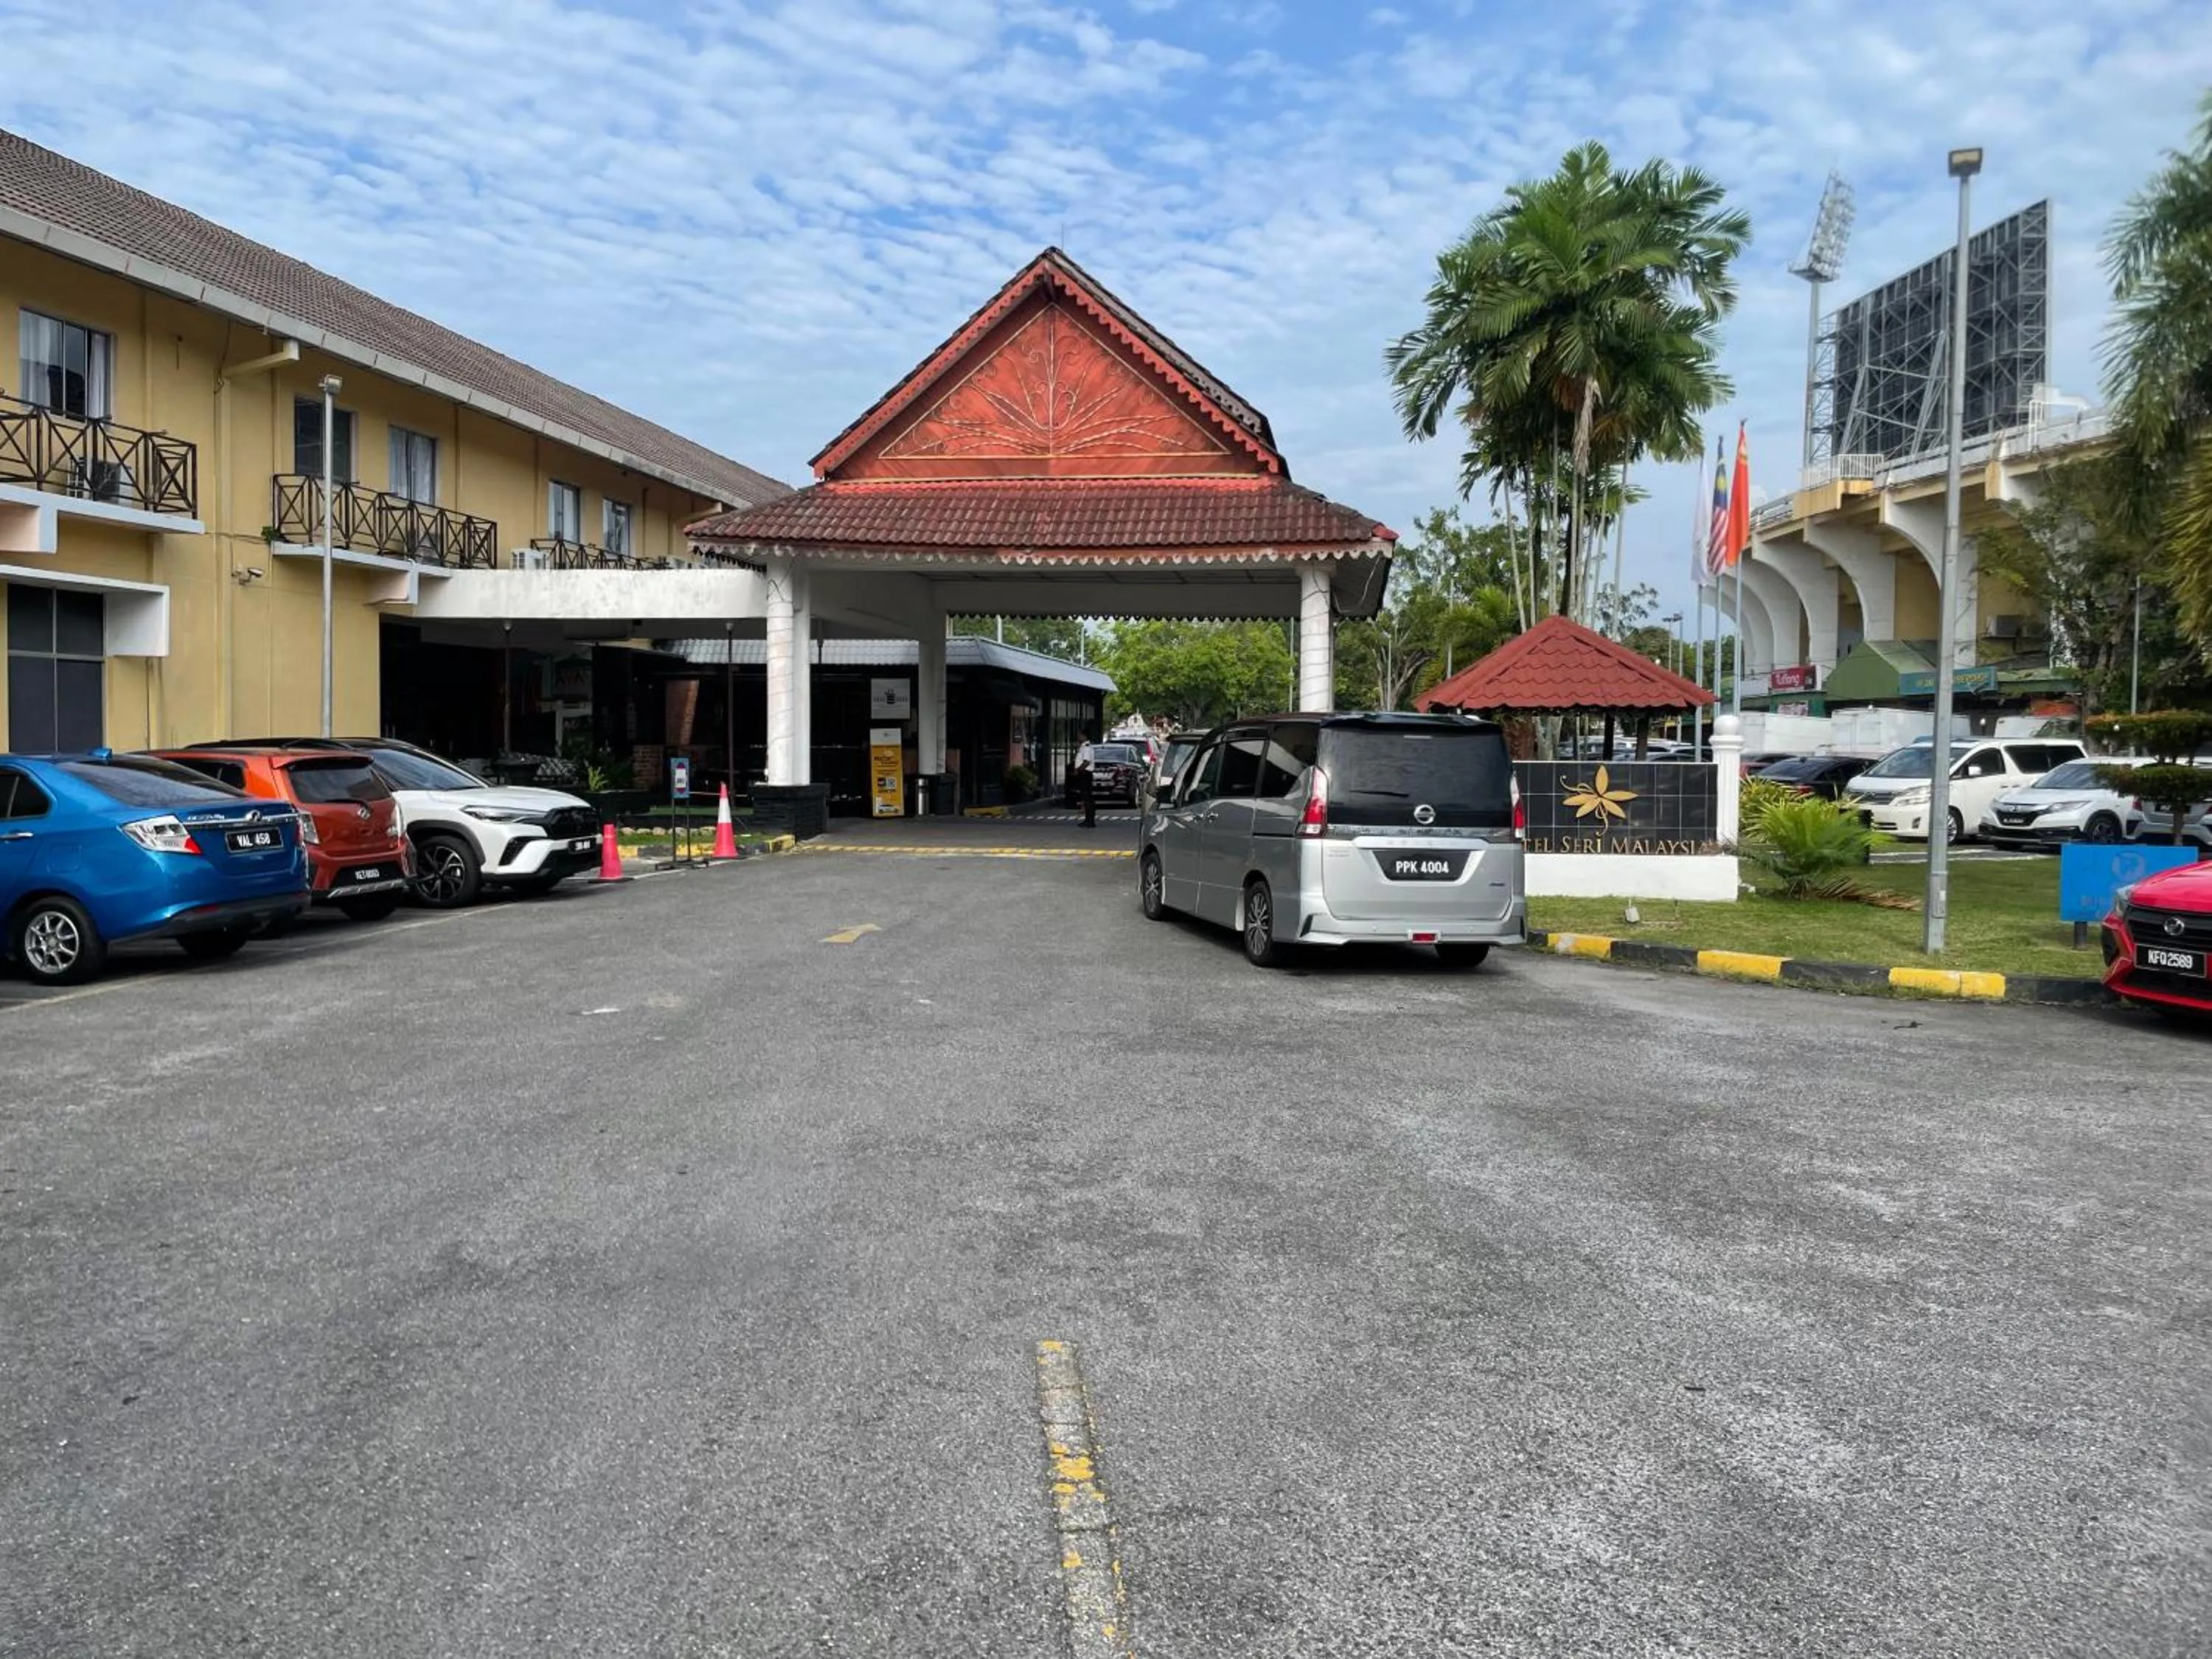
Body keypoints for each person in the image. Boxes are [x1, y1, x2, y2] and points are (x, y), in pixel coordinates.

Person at [1072, 727, 1097, 827]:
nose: (1078, 737)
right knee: (1086, 797)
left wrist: (1078, 770)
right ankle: (1088, 819)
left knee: (1087, 797)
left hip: (1085, 774)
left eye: (1079, 735)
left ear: (1084, 736)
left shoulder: (1086, 747)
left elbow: (1087, 761)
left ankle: (1089, 820)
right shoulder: (1084, 747)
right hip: (1085, 774)